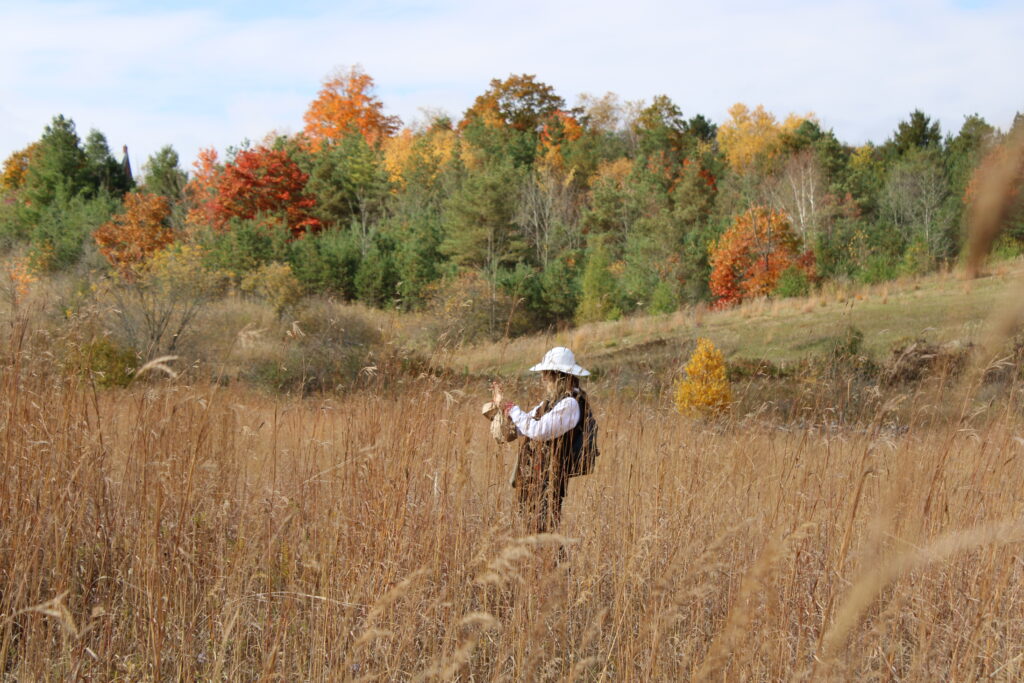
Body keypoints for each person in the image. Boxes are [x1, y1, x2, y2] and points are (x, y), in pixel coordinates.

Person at [491, 346, 596, 534]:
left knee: (544, 532)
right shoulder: (550, 403)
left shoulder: (570, 403)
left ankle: (557, 564)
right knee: (535, 531)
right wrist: (503, 410)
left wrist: (510, 407)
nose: (543, 378)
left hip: (550, 480)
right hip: (535, 478)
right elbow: (524, 427)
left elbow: (538, 430)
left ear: (559, 375)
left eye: (546, 373)